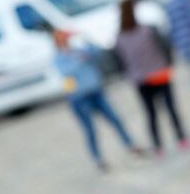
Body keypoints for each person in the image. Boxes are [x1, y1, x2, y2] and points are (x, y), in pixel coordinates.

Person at [51, 28, 141, 171]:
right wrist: (78, 60)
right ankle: (98, 160)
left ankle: (131, 146)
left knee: (115, 119)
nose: (66, 39)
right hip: (79, 98)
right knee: (90, 130)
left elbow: (98, 52)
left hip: (96, 92)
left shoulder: (79, 49)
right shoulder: (59, 57)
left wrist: (84, 36)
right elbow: (66, 72)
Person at [114, 0, 190, 156]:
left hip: (140, 79)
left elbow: (119, 62)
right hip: (159, 73)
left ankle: (158, 147)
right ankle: (181, 138)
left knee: (151, 114)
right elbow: (164, 46)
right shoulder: (148, 29)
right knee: (170, 108)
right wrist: (167, 63)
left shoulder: (120, 38)